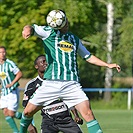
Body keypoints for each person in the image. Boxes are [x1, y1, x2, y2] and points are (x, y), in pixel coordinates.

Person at [20, 9, 121, 133]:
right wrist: (27, 29)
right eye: (64, 22)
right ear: (57, 24)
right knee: (27, 112)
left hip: (71, 84)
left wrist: (107, 64)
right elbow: (31, 27)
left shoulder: (74, 39)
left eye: (66, 20)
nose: (67, 23)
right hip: (51, 83)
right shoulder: (48, 32)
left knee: (88, 113)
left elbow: (88, 56)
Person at [22, 55, 83, 133]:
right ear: (36, 66)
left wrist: (76, 115)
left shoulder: (59, 79)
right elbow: (26, 107)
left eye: (46, 61)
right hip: (48, 121)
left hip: (66, 119)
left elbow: (69, 99)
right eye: (42, 62)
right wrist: (29, 125)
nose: (45, 64)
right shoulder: (32, 85)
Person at [0, 46, 22, 133]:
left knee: (11, 113)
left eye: (4, 52)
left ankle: (27, 118)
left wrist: (11, 83)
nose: (2, 54)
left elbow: (19, 74)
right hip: (4, 92)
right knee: (5, 112)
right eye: (1, 52)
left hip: (12, 90)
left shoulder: (9, 63)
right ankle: (16, 131)